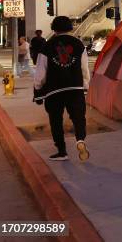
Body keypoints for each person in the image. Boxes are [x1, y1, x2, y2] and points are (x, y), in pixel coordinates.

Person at [34, 16, 90, 161]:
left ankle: (62, 151)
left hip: (54, 90)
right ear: (70, 27)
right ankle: (80, 140)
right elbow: (84, 69)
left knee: (56, 120)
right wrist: (85, 86)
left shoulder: (46, 46)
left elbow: (40, 72)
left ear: (54, 28)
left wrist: (38, 87)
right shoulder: (78, 44)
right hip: (75, 88)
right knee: (78, 117)